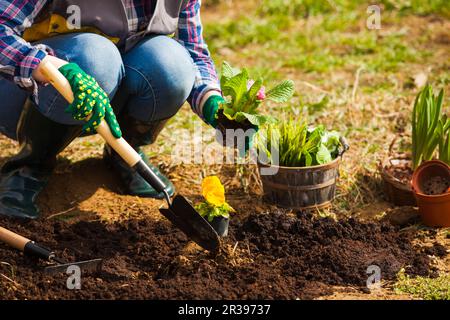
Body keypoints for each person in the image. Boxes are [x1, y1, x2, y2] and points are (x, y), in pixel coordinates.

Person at [0, 0, 250, 219]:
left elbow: (193, 51)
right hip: (24, 92)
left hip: (107, 91)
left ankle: (126, 154)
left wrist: (212, 103)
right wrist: (48, 65)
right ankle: (31, 164)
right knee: (97, 58)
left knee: (172, 65)